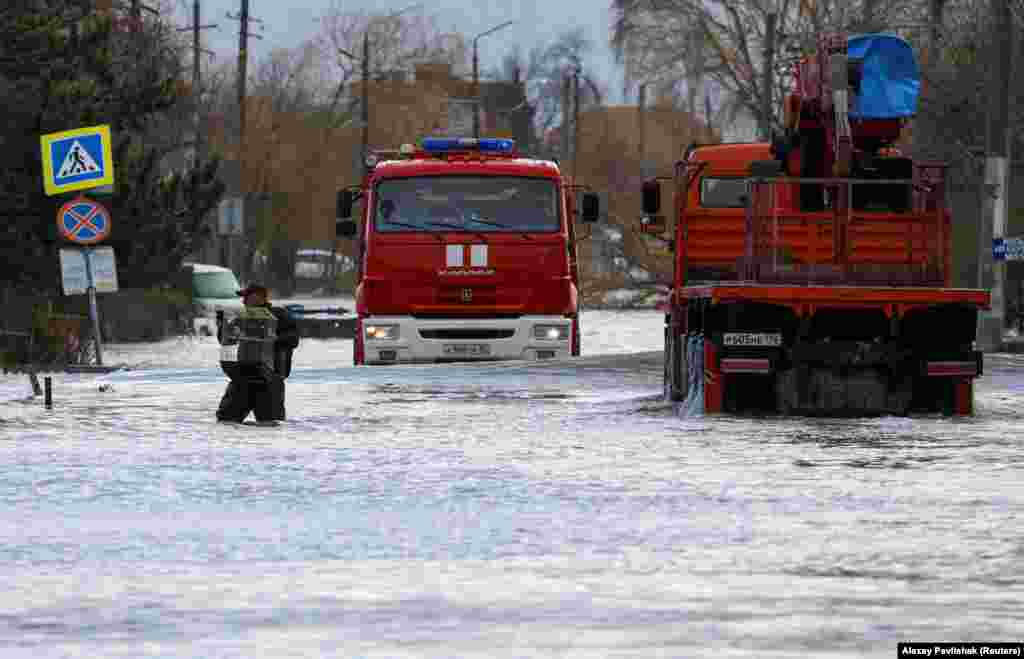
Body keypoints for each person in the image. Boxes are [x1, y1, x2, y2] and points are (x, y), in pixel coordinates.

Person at [216, 284, 300, 423]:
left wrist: (271, 340)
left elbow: (293, 340)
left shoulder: (279, 315)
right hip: (242, 377)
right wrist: (221, 325)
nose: (243, 302)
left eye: (247, 297)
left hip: (270, 379)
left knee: (270, 423)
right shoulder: (242, 317)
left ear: (259, 297)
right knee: (226, 420)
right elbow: (226, 340)